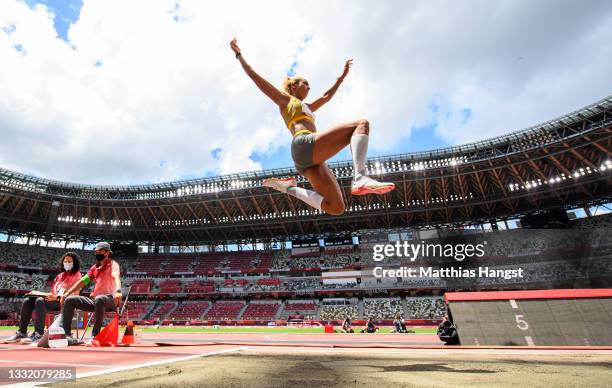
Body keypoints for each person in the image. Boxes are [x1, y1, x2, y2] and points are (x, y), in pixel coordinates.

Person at [230, 38, 395, 216]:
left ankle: (287, 188)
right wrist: (239, 55)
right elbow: (254, 75)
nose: (309, 87)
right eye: (305, 83)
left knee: (336, 207)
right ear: (293, 87)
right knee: (361, 124)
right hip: (303, 143)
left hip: (308, 161)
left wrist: (341, 78)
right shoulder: (285, 100)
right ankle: (360, 177)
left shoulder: (307, 107)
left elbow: (325, 97)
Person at [4, 252, 82, 344]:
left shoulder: (77, 275)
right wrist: (41, 293)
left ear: (74, 263)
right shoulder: (59, 276)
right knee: (28, 300)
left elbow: (75, 295)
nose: (67, 263)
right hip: (53, 300)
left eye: (69, 261)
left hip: (65, 302)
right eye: (65, 261)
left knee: (40, 301)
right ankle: (22, 332)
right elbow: (53, 293)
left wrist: (57, 297)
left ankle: (39, 334)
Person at [59, 242, 122, 346]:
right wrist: (67, 293)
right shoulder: (94, 268)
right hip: (95, 301)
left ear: (107, 252)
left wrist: (118, 291)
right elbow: (82, 282)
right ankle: (67, 335)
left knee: (100, 299)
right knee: (70, 300)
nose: (97, 253)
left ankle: (95, 336)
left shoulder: (113, 264)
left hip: (111, 300)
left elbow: (116, 277)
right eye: (96, 252)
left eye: (100, 251)